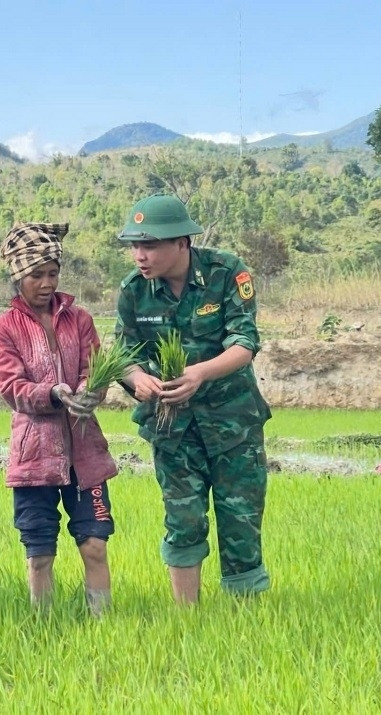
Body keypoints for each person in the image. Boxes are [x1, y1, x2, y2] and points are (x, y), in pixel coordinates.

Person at [114, 193, 271, 604]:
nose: (139, 255)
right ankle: (189, 616)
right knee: (183, 518)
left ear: (181, 242)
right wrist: (139, 380)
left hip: (232, 422)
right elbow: (123, 356)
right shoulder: (133, 292)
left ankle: (246, 615)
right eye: (134, 245)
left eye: (149, 245)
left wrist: (200, 373)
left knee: (241, 519)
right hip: (172, 428)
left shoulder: (227, 273)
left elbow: (244, 342)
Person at [0, 222, 117, 616]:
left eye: (52, 274)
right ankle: (44, 623)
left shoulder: (79, 319)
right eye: (36, 275)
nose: (46, 283)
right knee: (39, 553)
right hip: (34, 458)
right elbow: (11, 386)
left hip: (85, 454)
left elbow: (95, 369)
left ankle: (103, 623)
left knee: (94, 545)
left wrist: (90, 391)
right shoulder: (1, 329)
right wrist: (54, 393)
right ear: (17, 276)